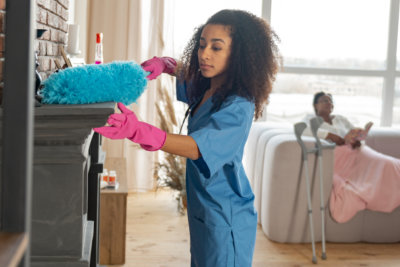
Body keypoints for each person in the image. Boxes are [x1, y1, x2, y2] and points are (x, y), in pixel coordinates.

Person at [94, 9, 281, 267]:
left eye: (217, 48)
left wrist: (140, 131)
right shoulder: (210, 86)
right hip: (205, 208)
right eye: (202, 45)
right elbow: (185, 74)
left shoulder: (239, 104)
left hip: (225, 216)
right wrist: (165, 64)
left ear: (239, 55)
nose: (204, 54)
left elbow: (197, 148)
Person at [304, 91, 400, 223]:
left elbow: (352, 132)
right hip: (339, 157)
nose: (328, 103)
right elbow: (304, 130)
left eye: (330, 101)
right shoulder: (310, 119)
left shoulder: (340, 119)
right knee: (355, 185)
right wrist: (330, 135)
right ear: (316, 105)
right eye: (324, 101)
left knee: (389, 164)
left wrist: (358, 139)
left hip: (357, 151)